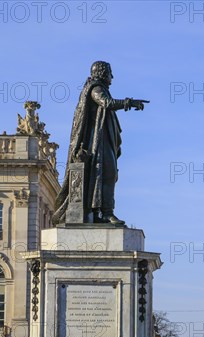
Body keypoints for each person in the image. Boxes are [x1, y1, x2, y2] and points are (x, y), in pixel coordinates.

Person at [53, 61, 148, 225]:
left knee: (106, 174)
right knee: (106, 174)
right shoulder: (96, 89)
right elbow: (106, 103)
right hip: (96, 143)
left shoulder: (98, 88)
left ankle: (101, 212)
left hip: (102, 140)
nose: (112, 77)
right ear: (103, 73)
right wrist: (129, 102)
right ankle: (105, 213)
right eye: (110, 73)